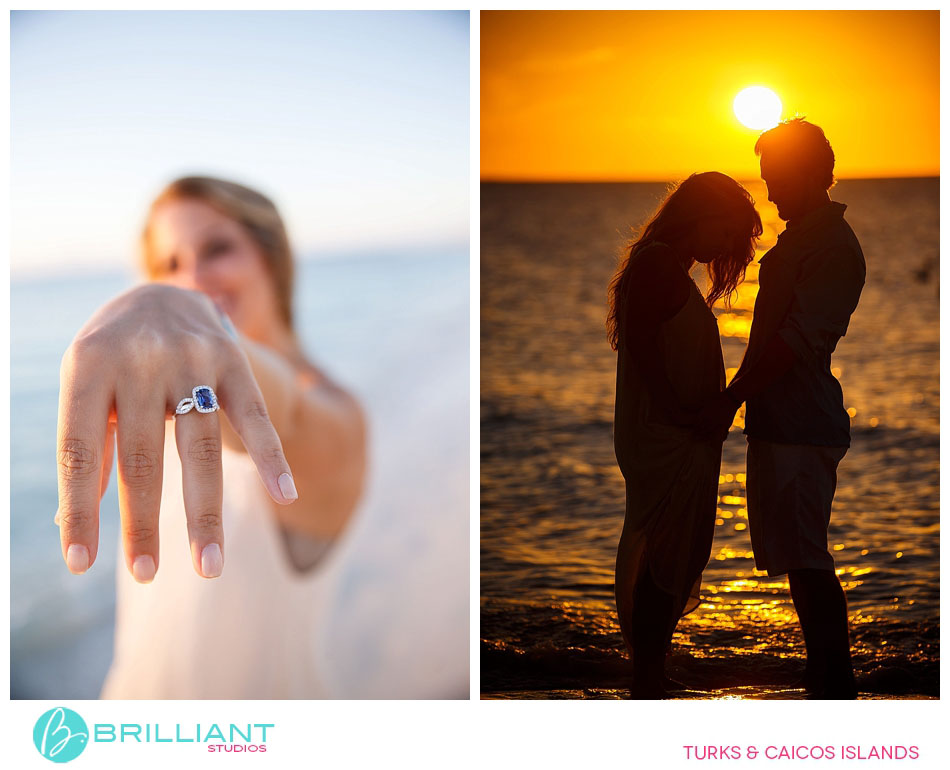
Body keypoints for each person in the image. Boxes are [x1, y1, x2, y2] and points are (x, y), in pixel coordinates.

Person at [54, 176, 366, 698]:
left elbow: (281, 408)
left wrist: (166, 303)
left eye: (218, 249)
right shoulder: (163, 413)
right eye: (168, 266)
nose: (193, 279)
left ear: (272, 258)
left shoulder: (336, 415)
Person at [697, 119, 866, 699]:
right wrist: (740, 399)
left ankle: (834, 681)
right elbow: (776, 338)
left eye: (780, 178)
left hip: (802, 424)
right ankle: (822, 674)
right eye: (768, 179)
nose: (770, 192)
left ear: (816, 174)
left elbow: (796, 340)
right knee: (798, 557)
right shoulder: (799, 240)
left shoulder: (832, 246)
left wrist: (731, 398)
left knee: (809, 557)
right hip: (780, 423)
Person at [607, 172, 763, 698]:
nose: (725, 247)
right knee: (665, 549)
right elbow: (643, 350)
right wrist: (678, 411)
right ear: (701, 213)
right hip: (664, 433)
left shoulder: (667, 266)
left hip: (679, 431)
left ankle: (650, 671)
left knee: (678, 548)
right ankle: (646, 679)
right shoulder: (656, 264)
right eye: (725, 231)